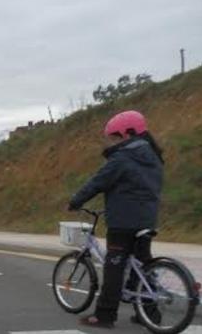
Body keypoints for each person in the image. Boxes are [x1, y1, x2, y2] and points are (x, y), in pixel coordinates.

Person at [66, 110, 164, 328]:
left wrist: (75, 202)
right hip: (147, 219)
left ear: (127, 134)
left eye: (116, 137)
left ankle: (104, 315)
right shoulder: (154, 157)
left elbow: (97, 182)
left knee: (114, 267)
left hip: (123, 222)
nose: (113, 142)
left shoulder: (123, 158)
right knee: (142, 266)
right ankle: (149, 314)